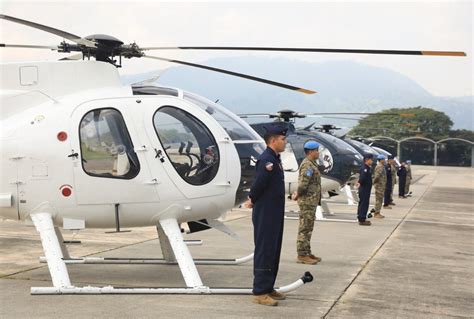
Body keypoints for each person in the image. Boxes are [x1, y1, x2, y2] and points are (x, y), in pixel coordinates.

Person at [245, 122, 288, 306]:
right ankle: (260, 291)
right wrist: (252, 199)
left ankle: (269, 286)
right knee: (264, 249)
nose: (285, 142)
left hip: (275, 212)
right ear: (273, 140)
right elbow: (259, 184)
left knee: (273, 249)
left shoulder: (275, 159)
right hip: (266, 213)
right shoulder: (267, 160)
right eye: (283, 139)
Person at [292, 140, 322, 265]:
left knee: (309, 227)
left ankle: (307, 251)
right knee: (305, 228)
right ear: (310, 152)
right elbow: (303, 184)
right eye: (316, 150)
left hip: (311, 201)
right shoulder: (307, 165)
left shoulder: (312, 164)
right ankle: (302, 254)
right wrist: (297, 194)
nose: (318, 152)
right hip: (307, 201)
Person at [356, 153, 374, 225]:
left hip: (366, 188)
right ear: (367, 160)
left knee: (363, 203)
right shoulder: (365, 168)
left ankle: (361, 217)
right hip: (364, 189)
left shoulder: (367, 168)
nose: (372, 161)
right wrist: (359, 182)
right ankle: (362, 218)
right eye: (371, 160)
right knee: (364, 203)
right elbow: (362, 178)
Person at [372, 154, 387, 218]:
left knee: (380, 199)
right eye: (384, 159)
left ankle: (378, 212)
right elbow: (377, 177)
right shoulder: (379, 167)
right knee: (378, 199)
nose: (385, 161)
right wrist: (374, 183)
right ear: (381, 160)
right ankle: (376, 213)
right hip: (379, 186)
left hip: (381, 185)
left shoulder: (382, 166)